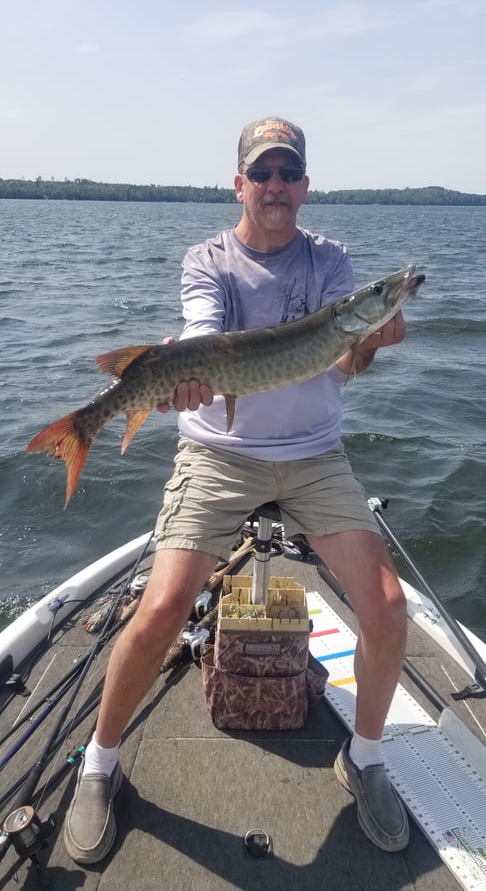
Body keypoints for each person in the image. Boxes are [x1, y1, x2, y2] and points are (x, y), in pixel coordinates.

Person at [64, 117, 409, 864]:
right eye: (264, 174)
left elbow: (346, 367)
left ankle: (370, 758)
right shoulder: (208, 259)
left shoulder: (332, 263)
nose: (277, 187)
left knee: (386, 603)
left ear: (306, 186)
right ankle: (99, 764)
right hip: (220, 457)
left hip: (314, 455)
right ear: (241, 184)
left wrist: (371, 336)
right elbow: (204, 330)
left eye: (290, 174)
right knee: (159, 610)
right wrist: (182, 375)